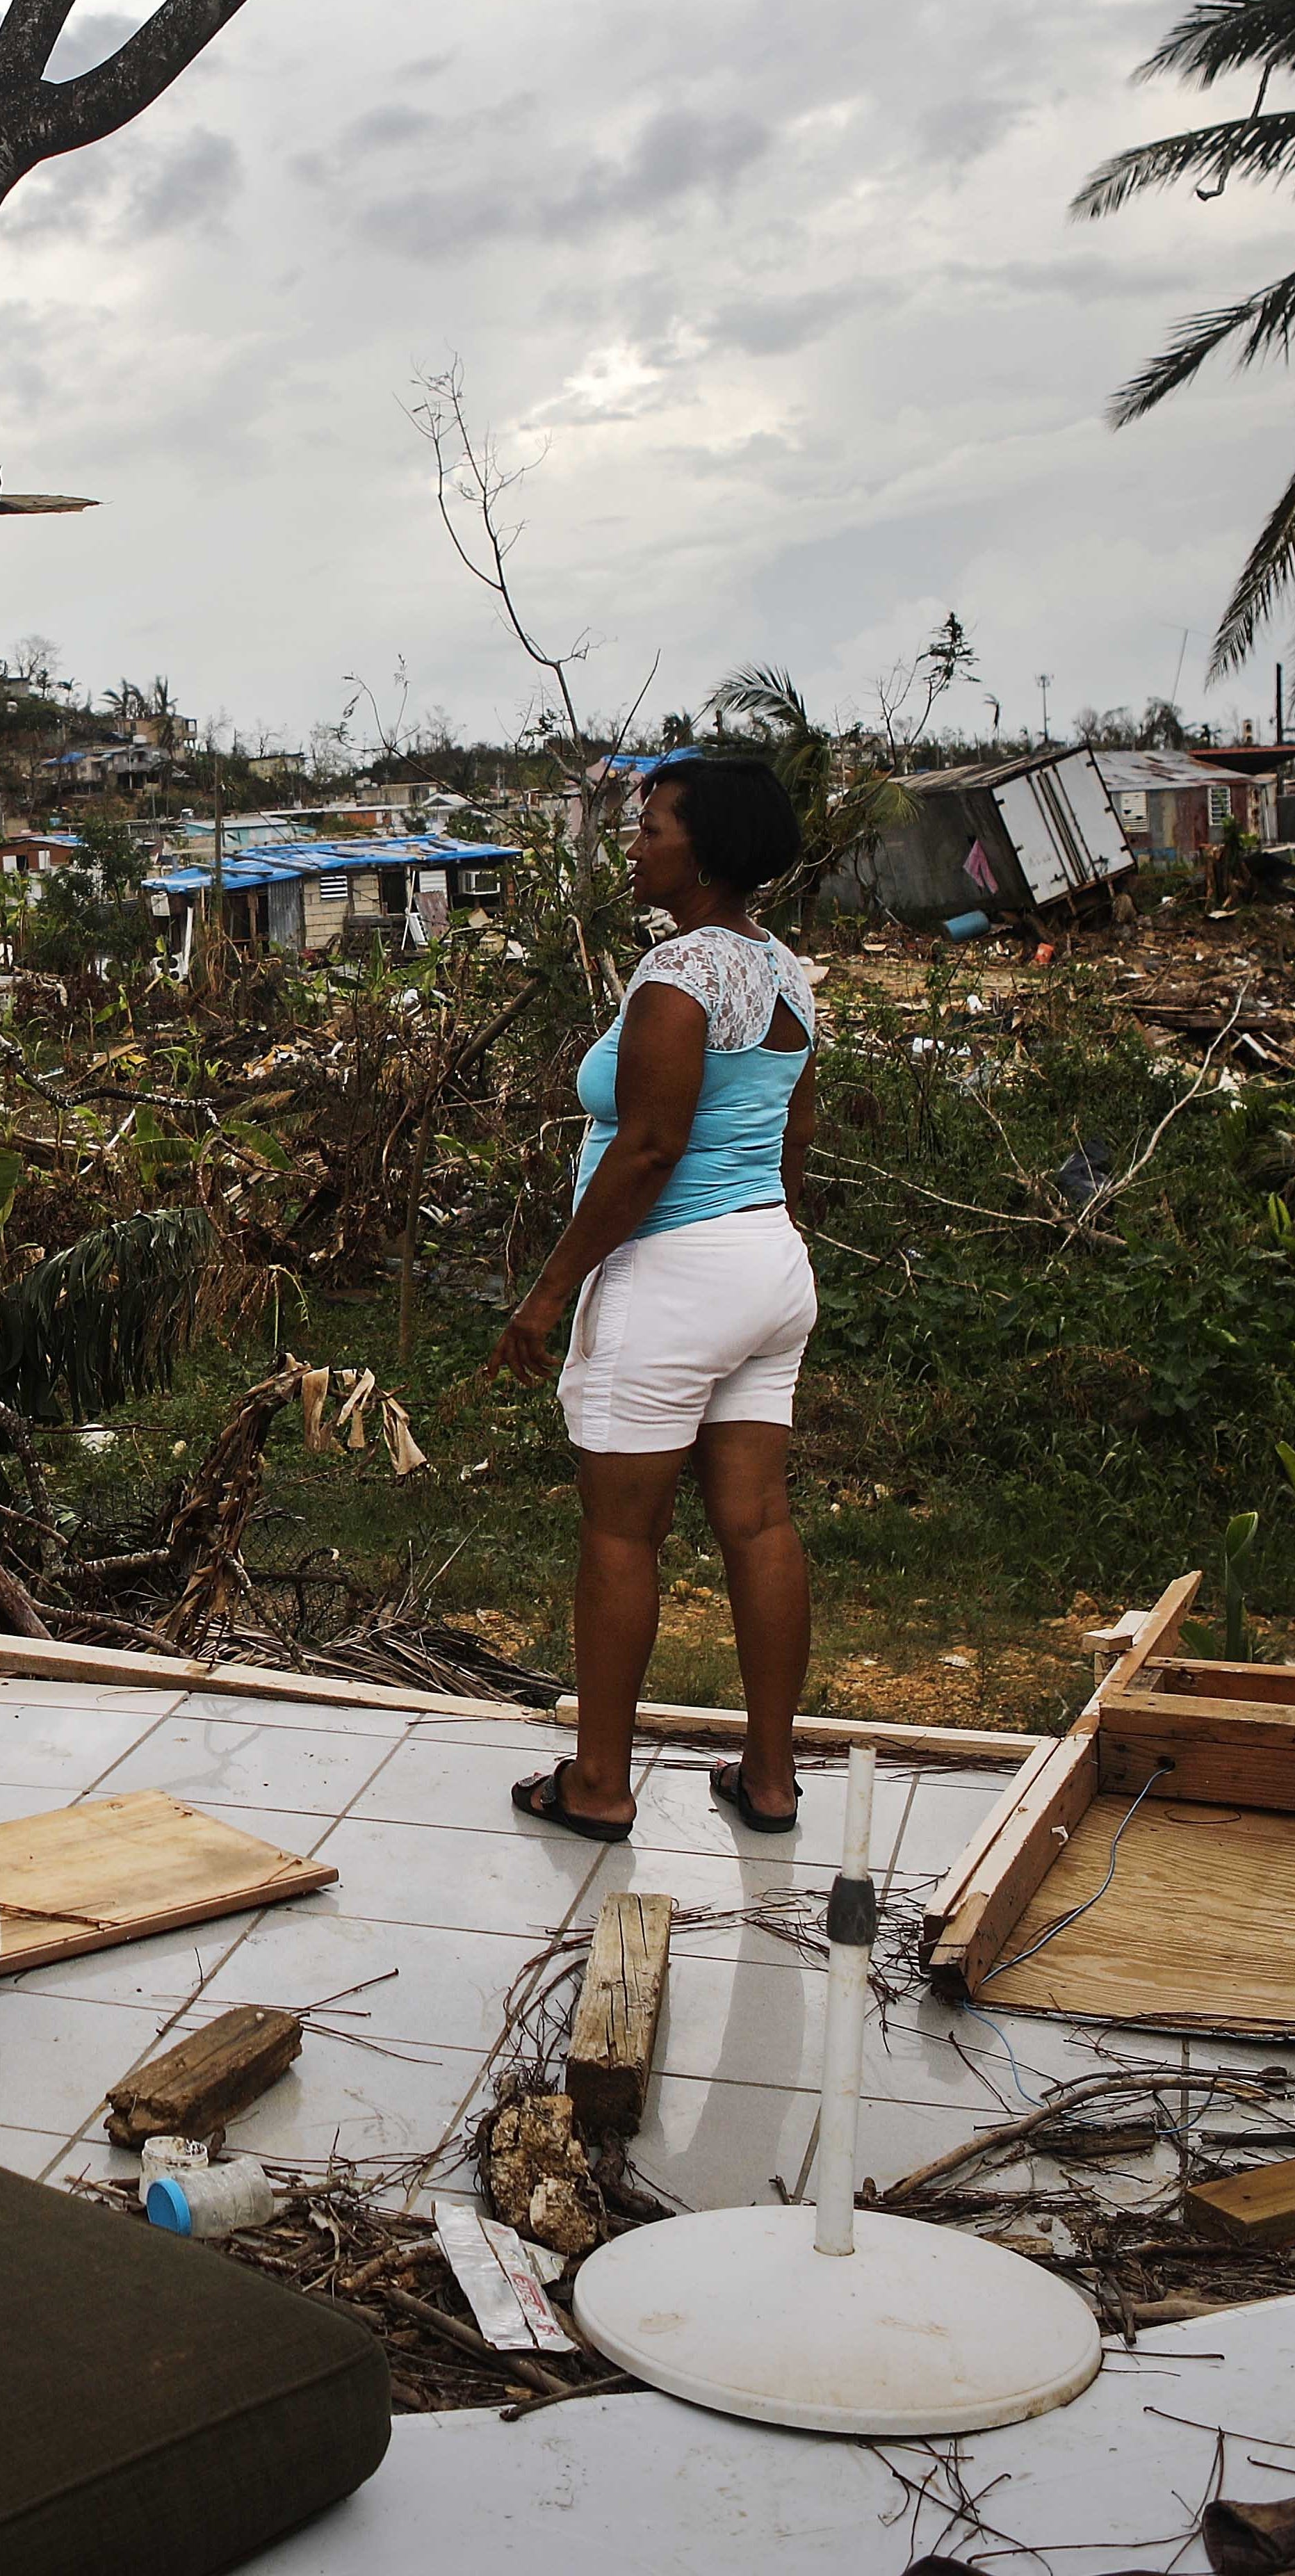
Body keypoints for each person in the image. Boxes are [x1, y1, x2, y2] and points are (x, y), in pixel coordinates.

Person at [491, 754, 820, 1843]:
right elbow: (793, 1137)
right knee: (758, 1521)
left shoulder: (680, 971)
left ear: (703, 848)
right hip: (766, 1264)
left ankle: (597, 1784)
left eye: (651, 827)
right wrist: (756, 1249)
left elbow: (646, 1148)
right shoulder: (786, 973)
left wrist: (546, 1295)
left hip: (673, 1275)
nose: (634, 845)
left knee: (621, 1535)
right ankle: (768, 1781)